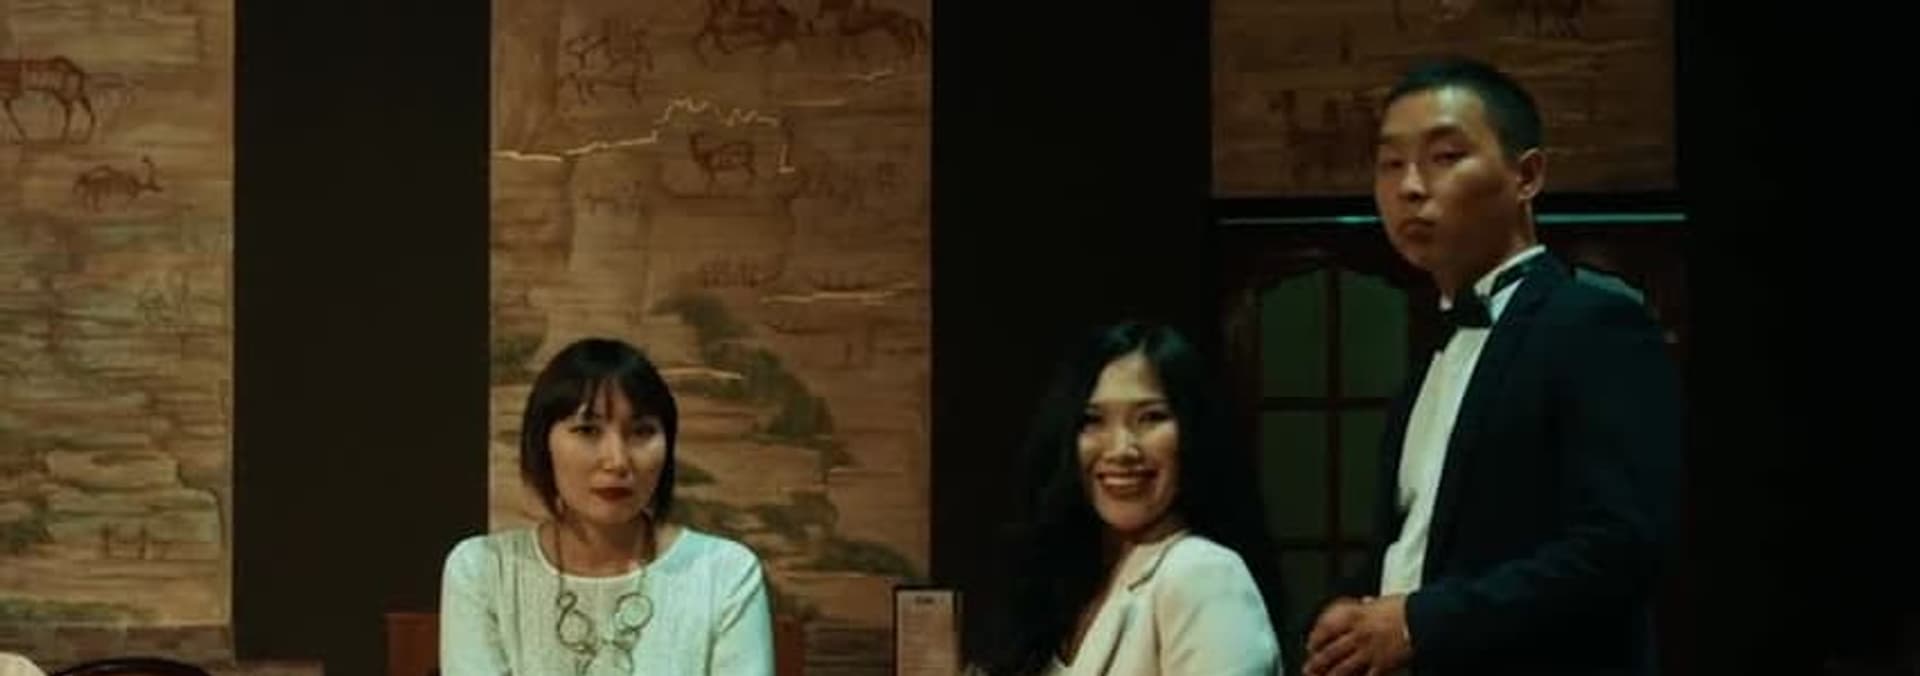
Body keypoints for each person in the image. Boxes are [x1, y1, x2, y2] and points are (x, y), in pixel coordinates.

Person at [1302, 57, 1683, 675]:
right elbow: (1424, 549)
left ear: (1526, 175)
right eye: (1390, 163)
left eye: (1445, 157)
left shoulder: (1594, 323)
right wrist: (1354, 608)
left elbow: (1621, 548)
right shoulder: (1433, 354)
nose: (1410, 186)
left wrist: (1417, 622)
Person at [440, 337, 773, 675]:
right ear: (543, 443)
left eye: (641, 432)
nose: (617, 461)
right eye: (588, 430)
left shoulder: (724, 573)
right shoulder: (483, 570)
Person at [974, 321, 1287, 675]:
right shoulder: (1069, 586)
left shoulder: (1203, 575)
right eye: (1093, 420)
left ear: (1192, 432)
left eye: (1151, 417)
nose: (1122, 449)